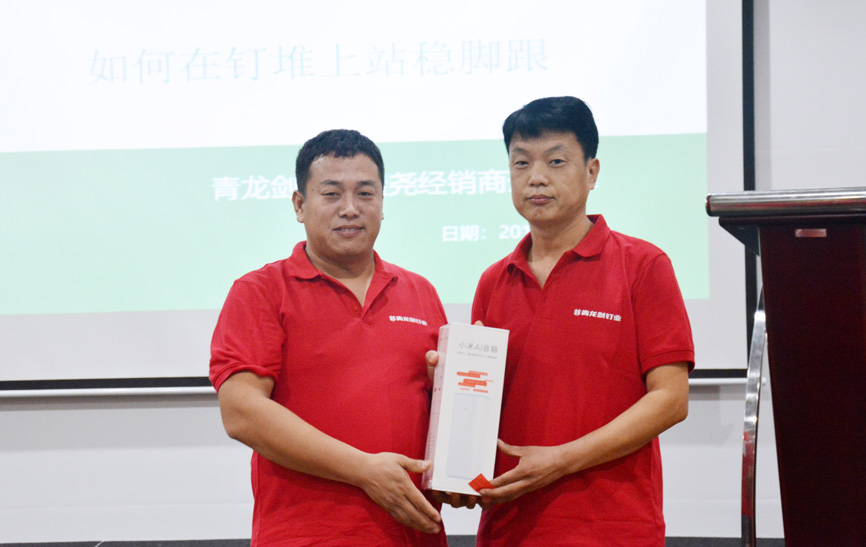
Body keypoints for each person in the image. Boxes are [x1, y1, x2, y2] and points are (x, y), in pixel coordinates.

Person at [440, 96, 694, 546]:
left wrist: (561, 460)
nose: (536, 177)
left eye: (555, 161)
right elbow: (481, 406)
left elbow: (671, 400)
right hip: (510, 527)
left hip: (613, 529)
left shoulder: (642, 265)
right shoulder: (494, 281)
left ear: (592, 172)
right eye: (521, 163)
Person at [210, 129, 448, 546]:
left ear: (382, 203)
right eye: (332, 194)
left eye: (366, 194)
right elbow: (241, 412)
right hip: (306, 535)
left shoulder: (419, 291)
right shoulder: (261, 291)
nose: (350, 209)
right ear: (300, 205)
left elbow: (442, 412)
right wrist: (364, 471)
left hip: (412, 533)